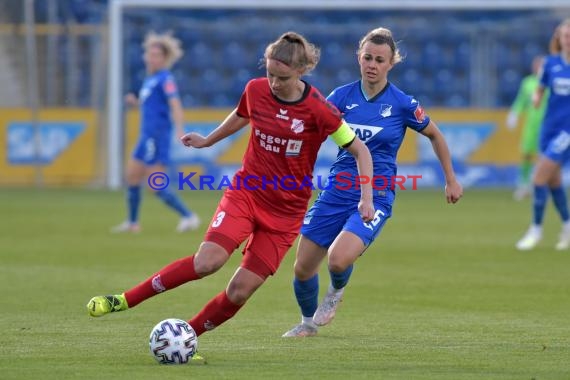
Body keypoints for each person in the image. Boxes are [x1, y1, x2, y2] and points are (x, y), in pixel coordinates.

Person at [87, 32, 375, 344]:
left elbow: (360, 150)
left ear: (300, 71)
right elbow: (241, 116)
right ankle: (124, 299)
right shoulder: (255, 90)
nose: (274, 83)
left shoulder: (320, 110)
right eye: (269, 74)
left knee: (240, 291)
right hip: (247, 194)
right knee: (207, 262)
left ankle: (186, 338)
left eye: (281, 77)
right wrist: (208, 140)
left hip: (285, 214)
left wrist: (366, 197)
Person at [282, 27, 463, 338]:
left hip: (376, 194)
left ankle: (335, 293)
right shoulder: (341, 97)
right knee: (301, 268)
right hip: (336, 191)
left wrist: (451, 179)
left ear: (391, 63)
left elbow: (435, 134)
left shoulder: (402, 103)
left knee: (338, 260)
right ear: (359, 58)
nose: (372, 64)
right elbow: (312, 131)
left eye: (380, 59)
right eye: (367, 57)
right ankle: (306, 323)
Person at [112, 32, 200, 233]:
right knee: (132, 176)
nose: (151, 58)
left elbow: (175, 104)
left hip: (157, 136)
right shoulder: (149, 80)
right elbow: (153, 106)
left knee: (155, 184)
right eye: (149, 54)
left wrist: (180, 129)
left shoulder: (165, 78)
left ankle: (188, 216)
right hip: (146, 136)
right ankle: (133, 223)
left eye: (156, 55)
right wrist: (136, 102)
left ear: (164, 58)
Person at [516, 18, 570, 251]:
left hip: (567, 131)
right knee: (553, 180)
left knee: (539, 178)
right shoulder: (550, 64)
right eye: (565, 35)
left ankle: (535, 230)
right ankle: (568, 227)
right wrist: (537, 97)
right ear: (558, 38)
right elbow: (540, 89)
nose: (567, 39)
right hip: (549, 129)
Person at [506, 55, 548, 201]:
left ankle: (542, 186)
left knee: (546, 157)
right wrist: (514, 114)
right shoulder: (527, 83)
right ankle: (523, 185)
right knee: (526, 155)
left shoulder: (550, 82)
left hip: (548, 124)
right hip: (531, 125)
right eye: (536, 65)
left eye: (541, 65)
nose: (538, 67)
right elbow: (521, 101)